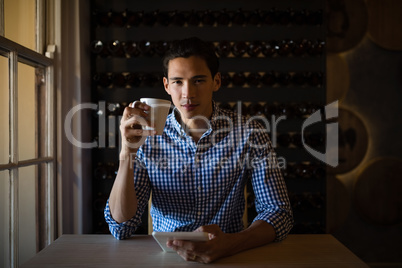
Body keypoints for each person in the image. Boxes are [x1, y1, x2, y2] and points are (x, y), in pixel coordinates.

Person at [104, 37, 293, 263]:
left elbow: (279, 213)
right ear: (166, 85)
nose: (187, 93)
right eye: (177, 82)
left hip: (230, 258)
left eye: (198, 80)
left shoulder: (250, 132)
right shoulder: (148, 136)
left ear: (216, 81)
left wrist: (231, 245)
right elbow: (121, 226)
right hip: (166, 258)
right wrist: (127, 152)